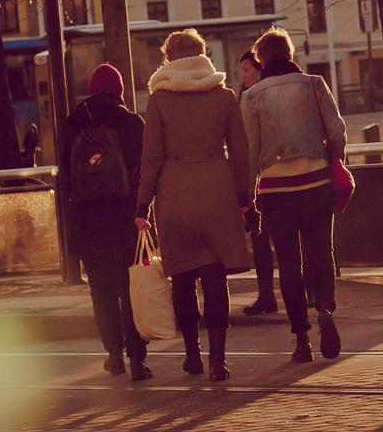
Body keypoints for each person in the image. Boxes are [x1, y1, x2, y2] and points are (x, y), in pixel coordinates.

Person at [136, 29, 254, 382]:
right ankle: (219, 358)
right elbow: (241, 151)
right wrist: (243, 197)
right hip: (216, 190)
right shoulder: (224, 96)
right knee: (215, 276)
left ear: (169, 58)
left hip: (173, 193)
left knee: (183, 279)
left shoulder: (160, 99)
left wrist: (143, 204)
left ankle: (192, 355)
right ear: (203, 55)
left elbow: (152, 156)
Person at [238, 27, 351, 362]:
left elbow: (251, 150)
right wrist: (331, 158)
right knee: (321, 251)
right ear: (290, 54)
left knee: (287, 263)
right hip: (316, 184)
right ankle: (325, 307)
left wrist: (251, 197)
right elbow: (338, 131)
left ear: (261, 60)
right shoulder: (314, 84)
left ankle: (301, 338)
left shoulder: (252, 97)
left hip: (276, 192)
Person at [60, 63, 149, 380]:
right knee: (130, 288)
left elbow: (66, 180)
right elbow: (145, 173)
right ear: (120, 91)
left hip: (87, 221)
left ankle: (114, 354)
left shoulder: (73, 124)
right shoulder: (132, 123)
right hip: (126, 219)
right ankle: (138, 358)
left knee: (101, 289)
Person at [234, 52, 280, 316]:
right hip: (256, 178)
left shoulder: (258, 98)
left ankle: (277, 294)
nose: (243, 76)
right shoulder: (241, 97)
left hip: (266, 176)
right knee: (260, 240)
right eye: (241, 70)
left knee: (274, 239)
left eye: (247, 70)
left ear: (260, 70)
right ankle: (266, 294)